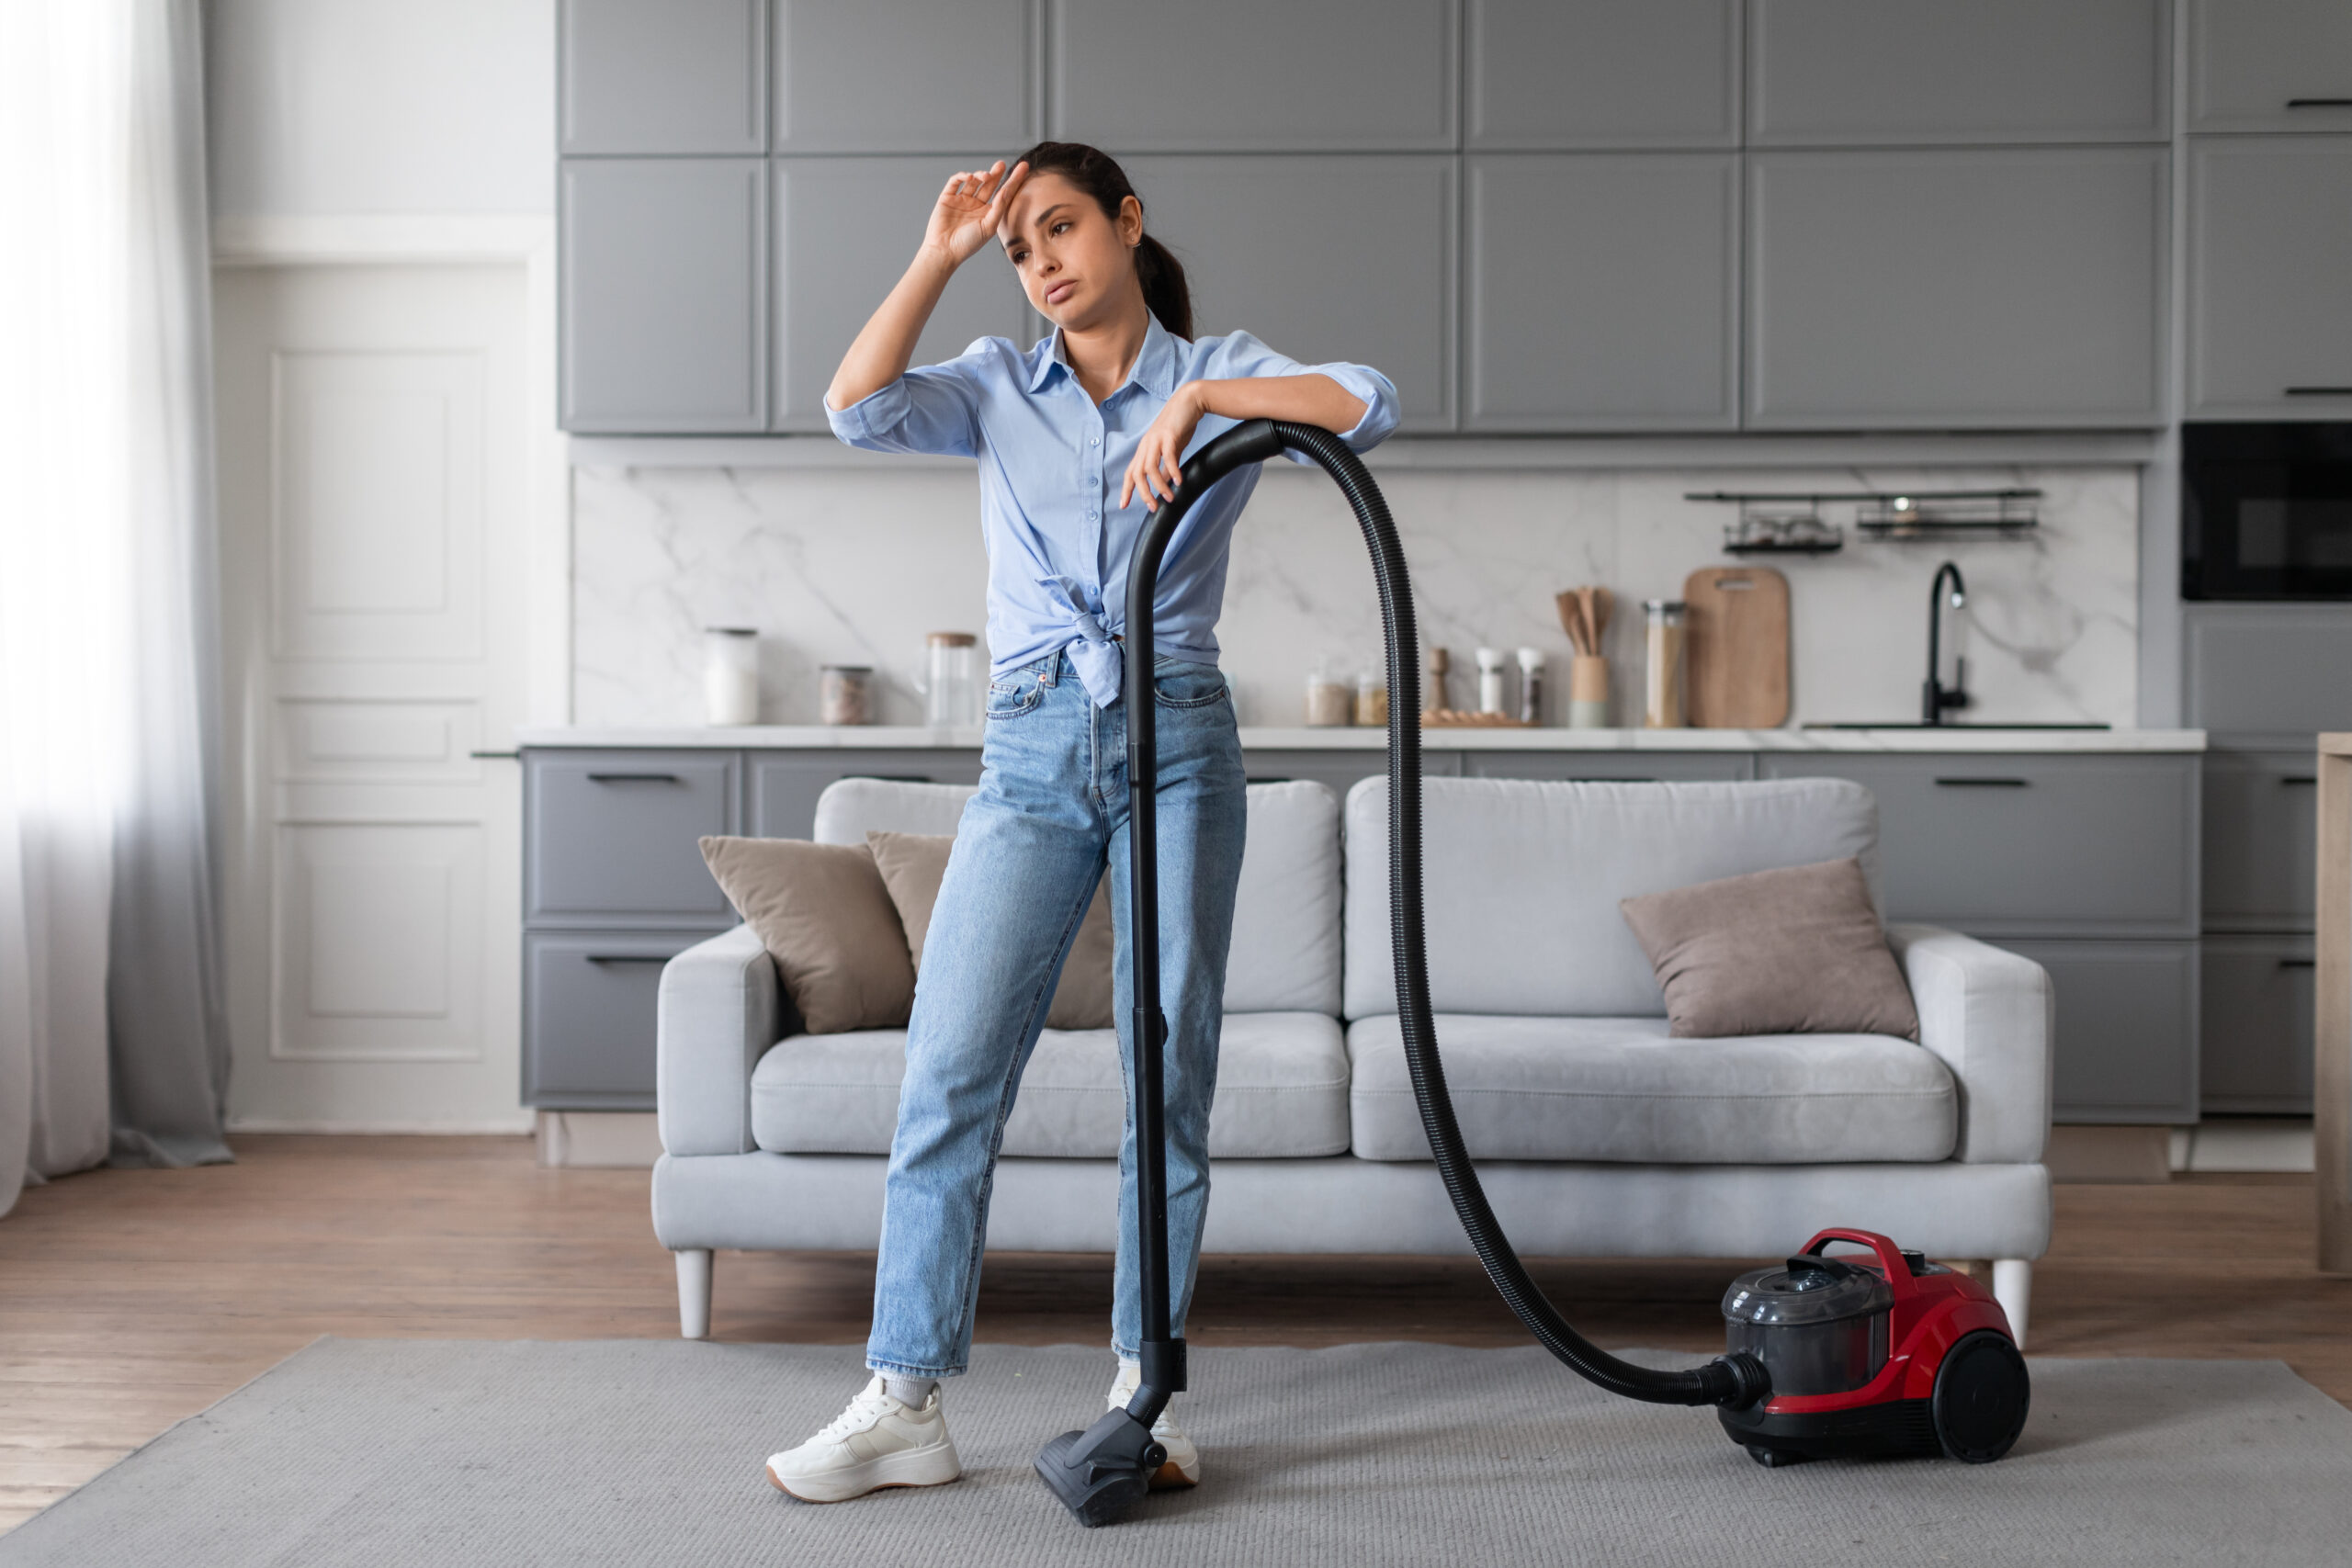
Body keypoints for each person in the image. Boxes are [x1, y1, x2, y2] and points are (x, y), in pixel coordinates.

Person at [763, 141, 1398, 1504]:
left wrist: (1204, 399)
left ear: (1127, 222)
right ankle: (904, 1399)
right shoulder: (998, 384)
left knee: (1164, 1075)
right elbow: (856, 408)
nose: (1041, 261)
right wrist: (937, 254)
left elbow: (1367, 400)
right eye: (1018, 248)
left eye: (1059, 227)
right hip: (1034, 746)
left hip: (1181, 739)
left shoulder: (1215, 372)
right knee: (950, 1067)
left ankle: (1141, 1396)